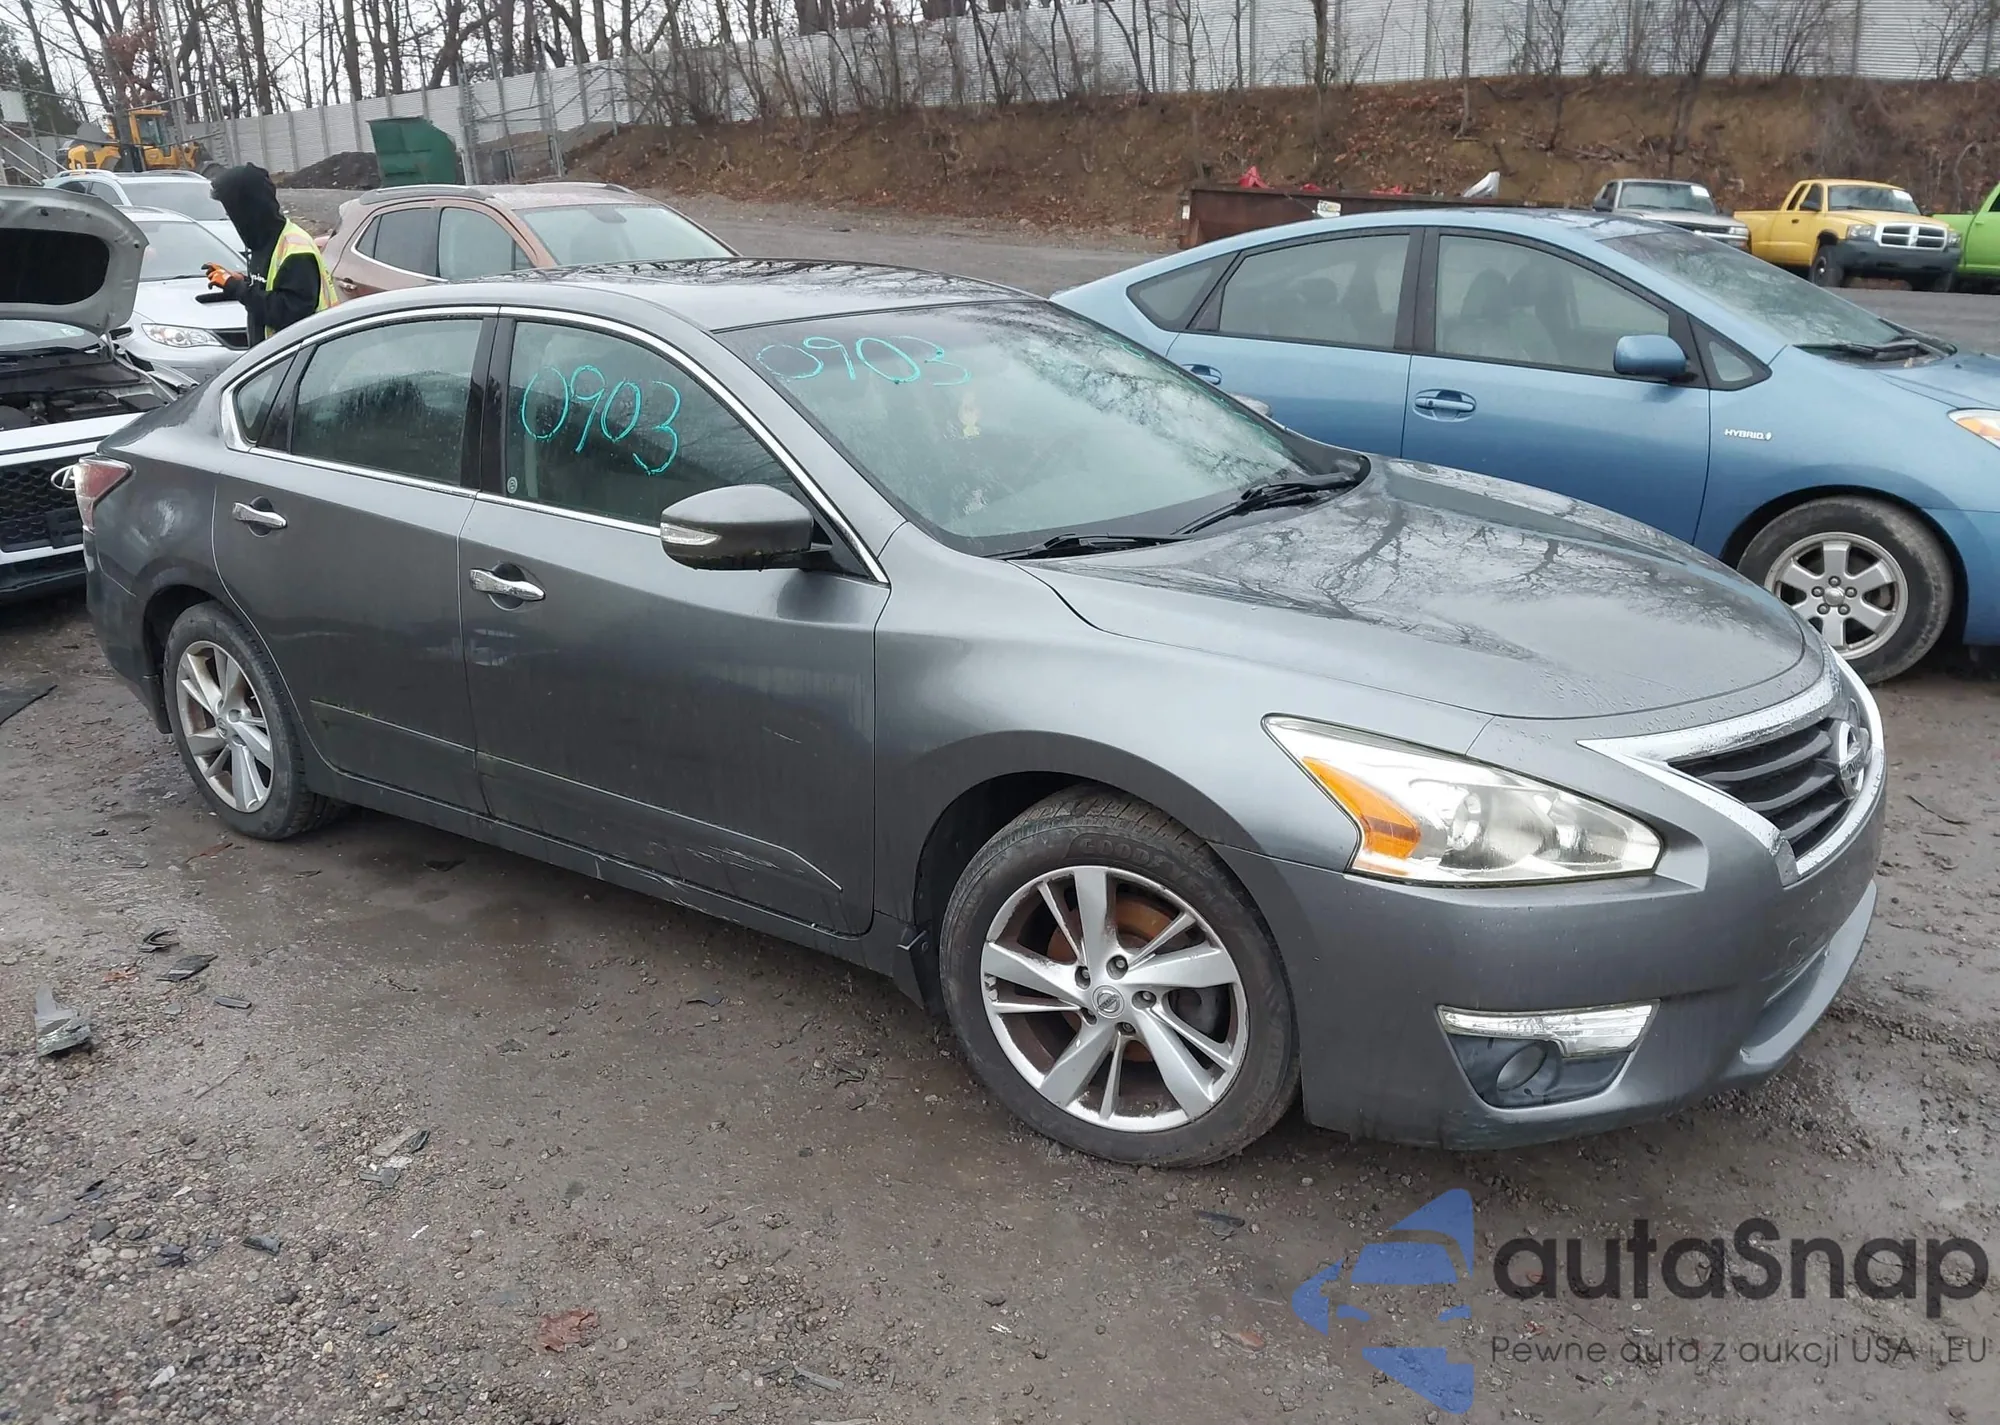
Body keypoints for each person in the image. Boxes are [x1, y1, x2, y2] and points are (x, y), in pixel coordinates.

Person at [203, 164, 336, 346]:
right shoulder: (262, 242)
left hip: (299, 354)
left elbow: (291, 312)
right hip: (274, 353)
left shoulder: (296, 250)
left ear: (247, 206)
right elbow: (269, 289)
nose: (228, 214)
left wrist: (237, 288)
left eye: (230, 208)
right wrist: (241, 281)